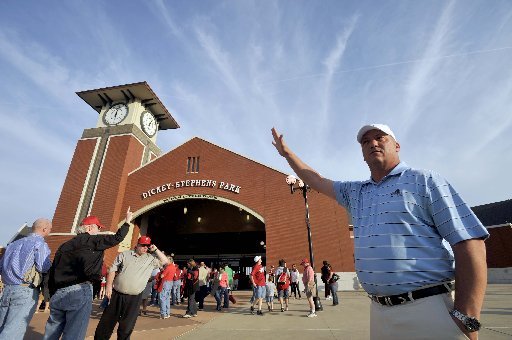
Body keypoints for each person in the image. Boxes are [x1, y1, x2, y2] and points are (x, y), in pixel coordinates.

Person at [272, 124, 489, 339]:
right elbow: (315, 180)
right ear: (362, 154)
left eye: (380, 137)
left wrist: (466, 315)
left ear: (397, 145)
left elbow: (470, 242)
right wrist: (287, 154)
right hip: (379, 313)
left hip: (427, 307)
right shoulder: (355, 192)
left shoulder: (424, 180)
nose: (372, 143)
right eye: (365, 141)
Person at [44, 209, 131, 340]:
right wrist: (127, 221)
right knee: (74, 334)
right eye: (98, 228)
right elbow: (117, 238)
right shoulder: (92, 240)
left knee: (51, 333)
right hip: (79, 290)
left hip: (58, 292)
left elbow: (53, 269)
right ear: (90, 227)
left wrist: (49, 294)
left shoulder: (64, 245)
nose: (99, 231)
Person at [94, 236, 168, 340]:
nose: (145, 247)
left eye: (147, 246)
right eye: (143, 245)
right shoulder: (125, 254)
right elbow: (112, 269)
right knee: (106, 324)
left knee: (126, 327)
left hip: (134, 298)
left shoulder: (151, 259)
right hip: (116, 294)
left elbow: (166, 261)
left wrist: (155, 249)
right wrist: (109, 287)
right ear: (137, 245)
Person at [0, 218, 52, 339]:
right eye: (49, 229)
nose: (49, 231)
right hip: (25, 289)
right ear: (44, 229)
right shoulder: (40, 244)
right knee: (13, 331)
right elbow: (43, 267)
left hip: (7, 289)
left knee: (2, 326)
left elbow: (1, 266)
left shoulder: (13, 244)